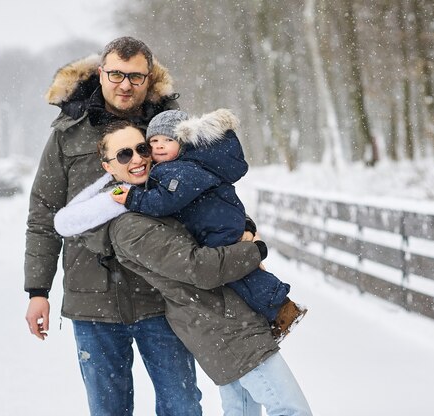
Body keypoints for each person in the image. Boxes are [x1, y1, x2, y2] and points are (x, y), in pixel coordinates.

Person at [54, 122, 313, 415]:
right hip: (220, 324)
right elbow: (199, 268)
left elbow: (215, 218)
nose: (138, 159)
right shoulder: (130, 226)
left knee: (243, 411)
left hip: (230, 317)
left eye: (142, 149)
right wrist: (254, 250)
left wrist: (245, 226)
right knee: (291, 409)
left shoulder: (159, 199)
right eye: (125, 155)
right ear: (108, 167)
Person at [24, 36, 203, 416]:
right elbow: (43, 212)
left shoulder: (173, 131)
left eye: (136, 77)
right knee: (108, 410)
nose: (125, 85)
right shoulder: (67, 133)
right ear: (101, 73)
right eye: (117, 74)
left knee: (183, 406)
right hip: (92, 300)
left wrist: (242, 232)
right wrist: (37, 290)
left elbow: (209, 189)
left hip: (163, 295)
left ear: (149, 77)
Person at [59, 108, 307, 340]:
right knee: (235, 271)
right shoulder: (179, 168)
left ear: (182, 143)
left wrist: (133, 198)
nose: (154, 150)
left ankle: (280, 307)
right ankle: (275, 310)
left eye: (145, 148)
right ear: (108, 166)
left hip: (216, 228)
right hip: (217, 223)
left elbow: (167, 203)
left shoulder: (181, 171)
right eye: (152, 143)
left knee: (238, 273)